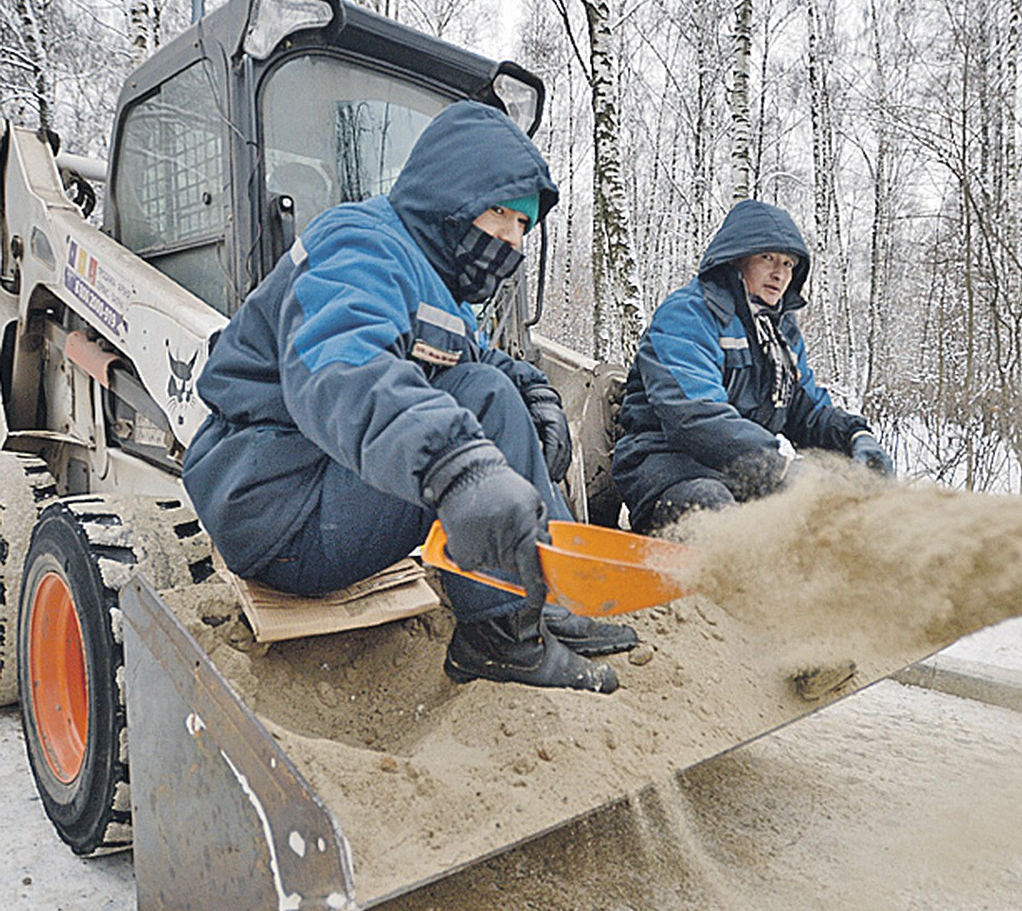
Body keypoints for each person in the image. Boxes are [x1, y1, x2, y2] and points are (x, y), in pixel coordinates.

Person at [183, 100, 635, 694]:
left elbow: (471, 360)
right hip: (277, 509)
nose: (512, 242)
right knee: (480, 402)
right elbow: (343, 366)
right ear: (455, 196)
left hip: (313, 486)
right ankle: (500, 640)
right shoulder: (361, 247)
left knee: (494, 391)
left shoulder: (432, 282)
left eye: (523, 227)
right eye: (502, 214)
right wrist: (456, 467)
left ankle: (540, 601)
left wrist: (538, 393)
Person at [612, 198, 893, 534]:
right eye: (768, 257)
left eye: (789, 264)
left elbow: (806, 411)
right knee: (715, 512)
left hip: (741, 474)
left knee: (825, 523)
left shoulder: (780, 334)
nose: (780, 273)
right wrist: (779, 468)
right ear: (737, 257)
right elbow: (695, 416)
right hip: (666, 470)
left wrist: (855, 435)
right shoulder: (688, 314)